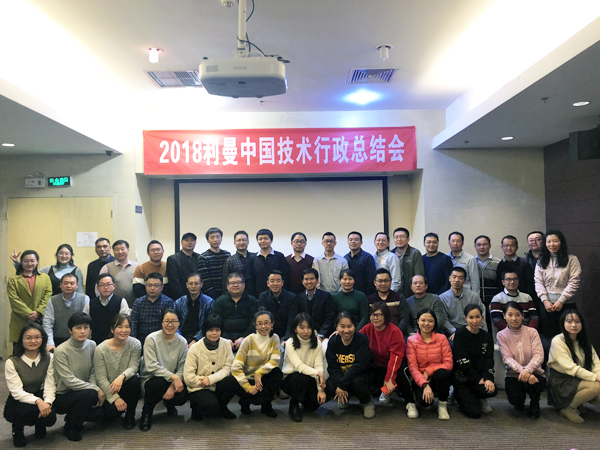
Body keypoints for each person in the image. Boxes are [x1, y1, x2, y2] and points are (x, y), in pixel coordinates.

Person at [360, 302, 417, 419]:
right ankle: (386, 391)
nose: (375, 318)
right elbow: (356, 339)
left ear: (386, 316)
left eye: (379, 315)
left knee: (401, 374)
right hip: (377, 362)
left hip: (397, 362)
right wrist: (340, 333)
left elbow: (395, 358)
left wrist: (389, 379)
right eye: (372, 314)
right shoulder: (367, 328)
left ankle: (410, 402)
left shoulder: (394, 331)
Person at [4, 323, 56, 448]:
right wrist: (38, 401)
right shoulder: (12, 362)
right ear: (21, 340)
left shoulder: (49, 357)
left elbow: (50, 384)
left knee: (50, 417)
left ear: (43, 339)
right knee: (27, 413)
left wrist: (47, 403)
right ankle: (17, 428)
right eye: (28, 338)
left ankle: (40, 424)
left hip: (40, 392)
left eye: (37, 337)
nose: (33, 341)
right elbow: (16, 391)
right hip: (19, 398)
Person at [53, 312, 104, 441]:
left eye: (86, 327)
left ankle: (74, 416)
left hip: (85, 390)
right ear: (70, 330)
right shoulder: (61, 350)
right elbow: (69, 380)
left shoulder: (92, 345)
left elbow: (93, 371)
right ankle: (70, 427)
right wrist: (95, 389)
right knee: (90, 395)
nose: (83, 331)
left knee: (102, 412)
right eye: (78, 328)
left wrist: (94, 388)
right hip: (63, 395)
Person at [223, 309, 283, 417]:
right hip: (248, 379)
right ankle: (245, 402)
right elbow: (236, 368)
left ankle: (266, 405)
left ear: (272, 324)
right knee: (232, 380)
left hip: (263, 378)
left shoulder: (275, 338)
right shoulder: (248, 340)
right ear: (255, 325)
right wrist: (247, 387)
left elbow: (275, 361)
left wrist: (259, 373)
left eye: (266, 323)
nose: (263, 326)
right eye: (259, 323)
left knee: (276, 372)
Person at [139, 309, 188, 431]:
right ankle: (146, 413)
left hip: (171, 380)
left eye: (174, 321)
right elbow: (151, 366)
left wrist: (172, 385)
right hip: (151, 378)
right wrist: (174, 378)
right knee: (158, 383)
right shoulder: (151, 339)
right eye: (166, 321)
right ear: (161, 322)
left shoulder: (182, 342)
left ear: (179, 323)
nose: (170, 325)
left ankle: (169, 403)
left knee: (184, 392)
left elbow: (182, 367)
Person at [547, 309, 600, 424]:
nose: (574, 325)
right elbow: (571, 368)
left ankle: (579, 403)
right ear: (563, 323)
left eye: (577, 321)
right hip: (561, 381)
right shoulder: (558, 341)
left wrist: (599, 375)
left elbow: (596, 364)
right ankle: (569, 408)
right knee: (597, 387)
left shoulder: (584, 341)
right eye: (569, 321)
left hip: (579, 378)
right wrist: (595, 378)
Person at [497, 302, 545, 419]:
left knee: (536, 383)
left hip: (534, 373)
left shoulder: (532, 332)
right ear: (504, 316)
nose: (514, 318)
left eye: (517, 315)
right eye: (510, 315)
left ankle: (535, 402)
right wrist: (523, 371)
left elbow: (539, 355)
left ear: (523, 316)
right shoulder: (501, 335)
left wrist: (528, 371)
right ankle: (519, 402)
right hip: (514, 375)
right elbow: (507, 358)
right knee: (516, 401)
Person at [183, 315, 237, 421]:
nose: (214, 333)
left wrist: (210, 379)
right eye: (211, 330)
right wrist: (205, 381)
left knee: (233, 380)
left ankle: (222, 407)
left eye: (217, 330)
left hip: (217, 383)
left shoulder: (226, 344)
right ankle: (196, 407)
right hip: (199, 386)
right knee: (211, 410)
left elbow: (228, 368)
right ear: (205, 330)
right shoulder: (194, 348)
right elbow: (188, 378)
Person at [93, 314, 142, 429]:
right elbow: (101, 378)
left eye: (127, 327)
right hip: (109, 388)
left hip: (125, 383)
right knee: (107, 414)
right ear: (112, 329)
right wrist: (116, 399)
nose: (124, 330)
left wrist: (122, 377)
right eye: (119, 327)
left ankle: (130, 416)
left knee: (135, 380)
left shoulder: (135, 344)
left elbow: (134, 367)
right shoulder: (101, 349)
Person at [325, 311, 374, 419]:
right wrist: (339, 384)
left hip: (360, 376)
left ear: (354, 326)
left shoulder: (362, 340)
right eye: (342, 326)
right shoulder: (333, 341)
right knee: (330, 384)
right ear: (336, 327)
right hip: (342, 376)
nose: (346, 330)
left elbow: (359, 366)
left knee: (357, 381)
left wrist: (342, 384)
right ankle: (344, 398)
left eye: (349, 326)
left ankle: (366, 401)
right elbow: (332, 367)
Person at [406, 308, 453, 420]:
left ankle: (442, 405)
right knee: (425, 404)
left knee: (443, 373)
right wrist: (425, 384)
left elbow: (448, 363)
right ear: (418, 321)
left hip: (437, 377)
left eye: (430, 321)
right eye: (423, 320)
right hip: (420, 379)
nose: (426, 324)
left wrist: (429, 370)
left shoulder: (442, 338)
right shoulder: (411, 340)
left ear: (435, 323)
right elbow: (413, 367)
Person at [535, 230, 581, 339]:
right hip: (547, 306)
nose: (552, 244)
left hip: (566, 305)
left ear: (561, 242)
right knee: (549, 337)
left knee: (568, 337)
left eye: (555, 241)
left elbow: (574, 282)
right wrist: (545, 301)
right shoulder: (541, 260)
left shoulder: (572, 259)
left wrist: (561, 301)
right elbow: (538, 281)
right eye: (549, 242)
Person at [452, 304, 496, 418]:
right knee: (474, 413)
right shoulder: (460, 334)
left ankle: (479, 397)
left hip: (480, 377)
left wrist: (488, 378)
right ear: (465, 318)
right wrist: (477, 379)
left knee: (492, 389)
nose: (475, 321)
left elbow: (489, 359)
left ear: (482, 317)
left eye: (477, 317)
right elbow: (462, 361)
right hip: (463, 378)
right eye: (471, 317)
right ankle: (457, 395)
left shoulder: (486, 336)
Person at [281, 312, 327, 422]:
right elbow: (299, 366)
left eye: (309, 327)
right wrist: (318, 374)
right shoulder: (290, 343)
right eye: (302, 327)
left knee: (314, 404)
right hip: (290, 379)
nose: (306, 331)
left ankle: (304, 400)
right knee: (301, 377)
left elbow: (319, 365)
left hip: (309, 377)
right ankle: (294, 404)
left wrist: (320, 390)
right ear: (295, 329)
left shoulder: (317, 343)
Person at [7, 250, 52, 347]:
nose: (29, 264)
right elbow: (14, 299)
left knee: (38, 348)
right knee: (19, 350)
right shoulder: (13, 279)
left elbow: (48, 295)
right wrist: (29, 313)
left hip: (40, 320)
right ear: (21, 262)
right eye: (26, 261)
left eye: (32, 261)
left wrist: (38, 312)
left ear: (37, 262)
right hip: (20, 320)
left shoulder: (45, 278)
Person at [211, 272, 259, 350]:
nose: (235, 285)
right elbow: (215, 322)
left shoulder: (252, 301)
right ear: (227, 286)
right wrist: (225, 339)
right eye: (232, 283)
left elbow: (254, 322)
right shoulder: (220, 301)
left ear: (244, 285)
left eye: (238, 282)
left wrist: (244, 338)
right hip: (223, 338)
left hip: (248, 337)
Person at [42, 273, 89, 351]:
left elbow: (86, 322)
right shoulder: (52, 300)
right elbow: (47, 323)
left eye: (72, 283)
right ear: (60, 285)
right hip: (57, 340)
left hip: (78, 340)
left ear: (77, 285)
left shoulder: (84, 299)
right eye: (65, 283)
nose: (68, 286)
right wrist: (50, 343)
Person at [439, 267, 487, 340]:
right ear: (449, 278)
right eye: (454, 277)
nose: (456, 280)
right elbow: (444, 320)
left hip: (473, 328)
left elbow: (481, 315)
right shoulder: (442, 298)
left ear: (465, 281)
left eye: (460, 278)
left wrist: (473, 330)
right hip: (453, 332)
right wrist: (455, 331)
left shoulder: (473, 296)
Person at [84, 273, 130, 345]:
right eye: (102, 285)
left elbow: (124, 322)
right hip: (96, 341)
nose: (105, 287)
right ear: (97, 288)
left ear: (113, 286)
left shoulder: (121, 301)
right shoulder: (91, 303)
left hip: (116, 341)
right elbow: (84, 322)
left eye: (108, 284)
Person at [166, 232, 214, 300]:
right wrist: (183, 298)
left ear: (195, 243)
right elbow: (174, 281)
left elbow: (204, 277)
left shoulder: (200, 257)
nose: (189, 242)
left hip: (199, 297)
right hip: (180, 298)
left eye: (192, 240)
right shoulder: (173, 259)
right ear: (181, 243)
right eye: (186, 240)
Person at [130, 273, 174, 346]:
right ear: (145, 286)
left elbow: (169, 324)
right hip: (141, 340)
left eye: (156, 285)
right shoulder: (138, 302)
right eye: (149, 285)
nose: (152, 288)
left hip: (161, 340)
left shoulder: (168, 302)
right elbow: (133, 322)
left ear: (162, 287)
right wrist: (134, 341)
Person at [174, 272, 215, 347]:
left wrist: (195, 340)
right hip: (180, 338)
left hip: (201, 339)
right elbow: (174, 323)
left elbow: (208, 325)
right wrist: (180, 339)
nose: (193, 286)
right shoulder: (179, 303)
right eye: (190, 284)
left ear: (201, 284)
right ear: (187, 285)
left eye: (196, 283)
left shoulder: (209, 303)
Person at [246, 228, 290, 297]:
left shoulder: (279, 256)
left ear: (271, 240)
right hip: (258, 296)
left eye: (266, 238)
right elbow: (250, 279)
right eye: (260, 239)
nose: (263, 241)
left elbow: (285, 276)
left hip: (278, 295)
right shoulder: (252, 258)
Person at [295, 268, 336, 342]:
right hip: (302, 335)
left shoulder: (326, 297)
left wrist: (321, 335)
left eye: (312, 279)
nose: (309, 281)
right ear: (302, 281)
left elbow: (329, 318)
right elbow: (294, 318)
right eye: (306, 279)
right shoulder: (298, 298)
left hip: (322, 335)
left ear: (317, 281)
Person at [368, 268, 410, 336]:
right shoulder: (370, 300)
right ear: (375, 283)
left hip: (396, 334)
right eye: (380, 281)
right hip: (376, 335)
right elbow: (368, 320)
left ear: (391, 282)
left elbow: (404, 318)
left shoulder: (399, 297)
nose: (383, 284)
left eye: (386, 281)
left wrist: (396, 333)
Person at [258, 270, 298, 342]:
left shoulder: (292, 297)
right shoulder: (263, 297)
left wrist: (287, 339)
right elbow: (264, 318)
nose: (275, 284)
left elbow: (292, 320)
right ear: (268, 283)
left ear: (282, 283)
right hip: (269, 334)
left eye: (278, 281)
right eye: (272, 281)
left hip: (286, 333)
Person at [99, 240, 139, 307]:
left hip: (134, 304)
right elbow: (99, 287)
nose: (120, 252)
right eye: (117, 249)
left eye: (122, 249)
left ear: (128, 250)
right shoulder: (107, 267)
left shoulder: (137, 267)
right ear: (113, 251)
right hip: (113, 305)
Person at [495, 235, 536, 301]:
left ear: (517, 247)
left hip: (522, 299)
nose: (509, 248)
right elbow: (499, 284)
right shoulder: (500, 264)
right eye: (506, 245)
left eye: (512, 245)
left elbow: (530, 284)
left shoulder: (524, 263)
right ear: (502, 247)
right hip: (504, 299)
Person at [474, 235, 501, 329]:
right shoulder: (471, 262)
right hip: (477, 300)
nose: (482, 247)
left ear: (489, 246)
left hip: (493, 300)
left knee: (493, 325)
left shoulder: (498, 262)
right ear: (475, 247)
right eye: (479, 245)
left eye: (485, 244)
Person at [391, 227, 425, 299]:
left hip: (410, 293)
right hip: (393, 292)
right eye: (396, 237)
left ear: (408, 239)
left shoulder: (415, 253)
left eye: (402, 237)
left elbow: (419, 274)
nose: (399, 239)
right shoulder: (391, 254)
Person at [344, 231, 376, 296]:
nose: (353, 242)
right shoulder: (345, 258)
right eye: (351, 240)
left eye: (356, 240)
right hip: (348, 294)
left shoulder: (367, 257)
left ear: (361, 242)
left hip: (363, 295)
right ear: (348, 242)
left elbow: (371, 279)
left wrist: (368, 296)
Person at [202, 227, 231, 299]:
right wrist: (214, 296)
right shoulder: (203, 257)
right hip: (210, 296)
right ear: (207, 240)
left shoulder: (227, 255)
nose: (215, 240)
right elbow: (205, 280)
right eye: (212, 237)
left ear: (221, 239)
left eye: (218, 237)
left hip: (228, 294)